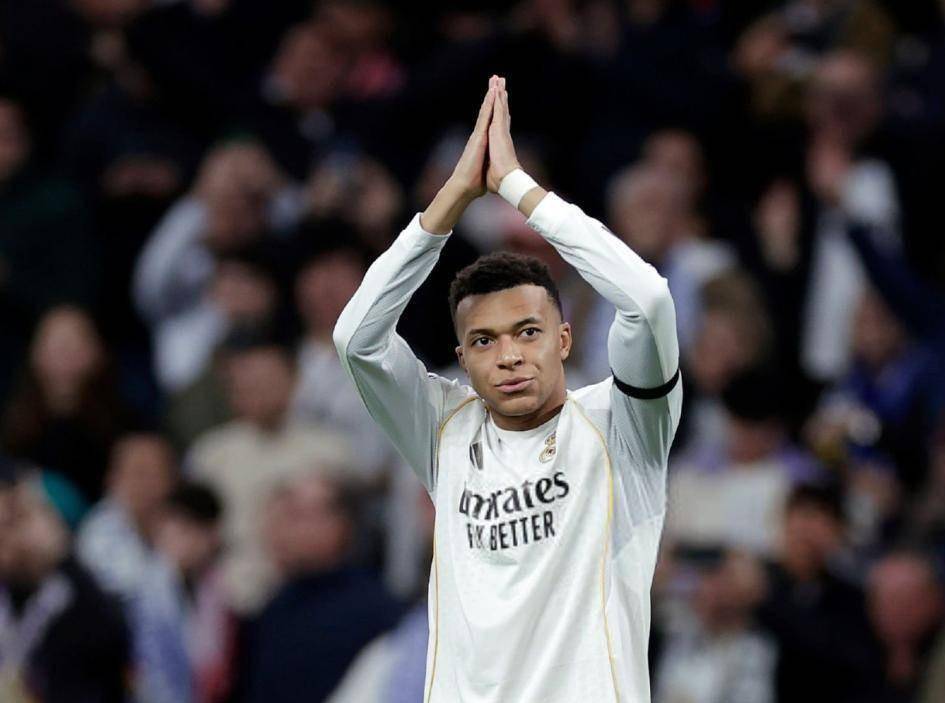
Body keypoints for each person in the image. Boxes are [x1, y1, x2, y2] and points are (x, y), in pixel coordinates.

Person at [334, 75, 682, 701]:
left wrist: (518, 188)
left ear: (564, 340)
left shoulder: (622, 424)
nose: (510, 356)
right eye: (485, 341)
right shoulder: (444, 429)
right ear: (462, 359)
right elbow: (355, 338)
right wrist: (452, 199)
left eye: (528, 332)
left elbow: (648, 299)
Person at [242, 468, 402, 703]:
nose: (280, 526)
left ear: (341, 525)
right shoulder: (273, 609)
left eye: (296, 514)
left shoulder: (377, 613)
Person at [132, 481, 232, 703]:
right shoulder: (143, 589)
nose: (182, 540)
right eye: (177, 529)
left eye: (193, 531)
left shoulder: (214, 588)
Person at [76, 432, 177, 603]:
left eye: (158, 473)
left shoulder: (180, 521)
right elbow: (137, 600)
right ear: (112, 479)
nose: (148, 484)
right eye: (139, 473)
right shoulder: (99, 534)